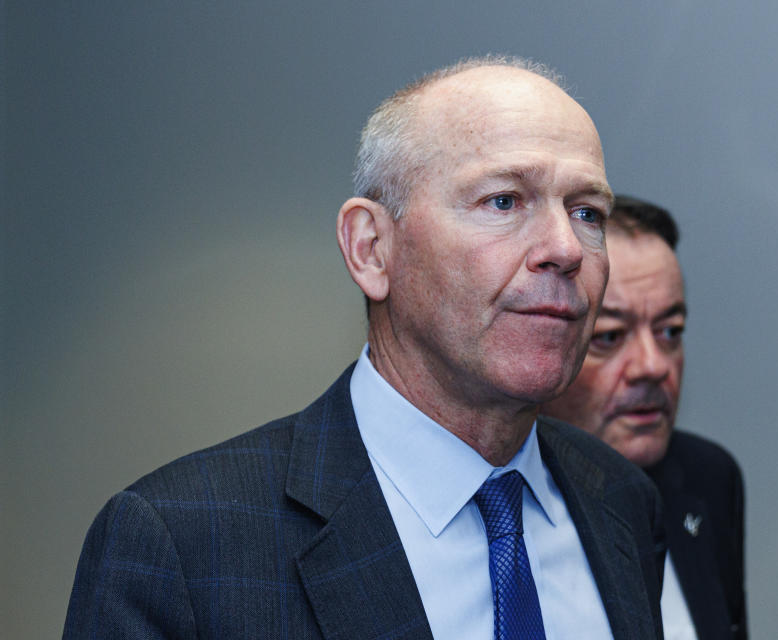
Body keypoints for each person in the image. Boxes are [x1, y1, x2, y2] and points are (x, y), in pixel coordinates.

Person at [63, 58, 666, 639]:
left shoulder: (620, 499)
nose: (565, 247)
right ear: (371, 249)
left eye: (587, 212)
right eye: (503, 201)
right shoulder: (184, 544)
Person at [543, 195, 747, 640]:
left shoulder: (707, 478)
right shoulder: (499, 509)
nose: (654, 366)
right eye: (610, 336)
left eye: (670, 331)